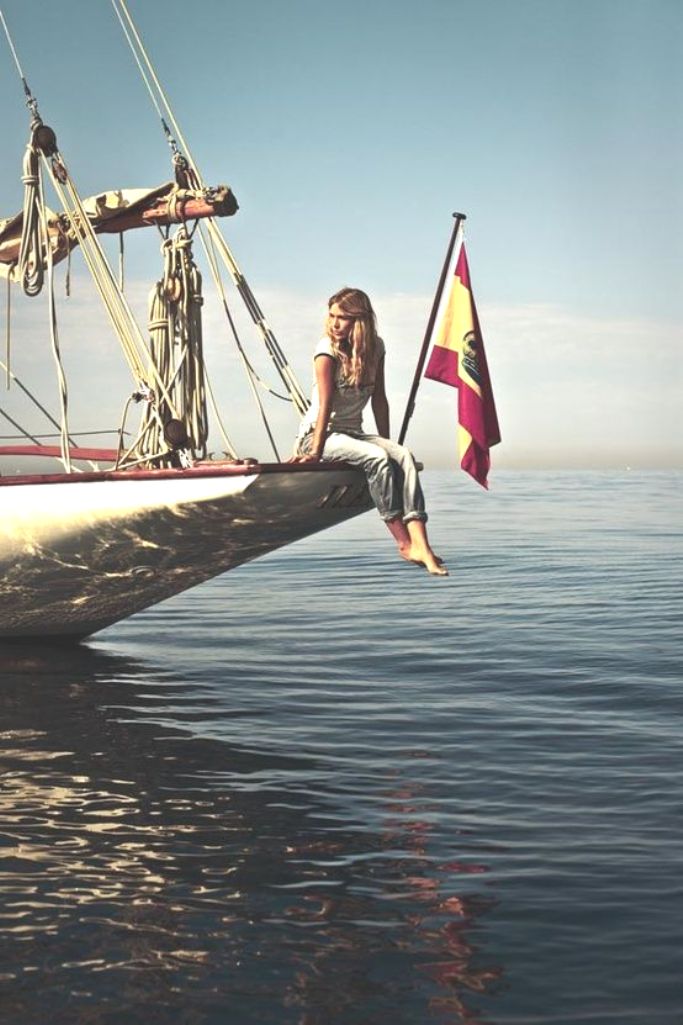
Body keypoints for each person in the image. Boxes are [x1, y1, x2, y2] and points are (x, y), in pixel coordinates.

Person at [295, 287, 447, 576]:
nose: (334, 323)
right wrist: (314, 452)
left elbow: (380, 398)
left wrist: (389, 444)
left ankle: (422, 544)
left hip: (353, 434)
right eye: (331, 316)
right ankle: (404, 544)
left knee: (403, 456)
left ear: (360, 321)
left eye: (343, 318)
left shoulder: (376, 348)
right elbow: (325, 404)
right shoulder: (326, 350)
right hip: (319, 436)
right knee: (377, 458)